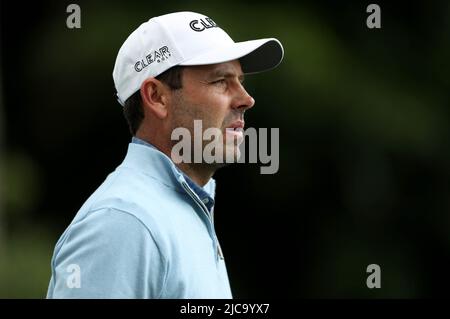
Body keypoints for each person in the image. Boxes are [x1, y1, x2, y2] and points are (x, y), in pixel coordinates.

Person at [46, 11, 284, 299]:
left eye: (240, 80)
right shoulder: (123, 223)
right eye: (221, 80)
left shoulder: (179, 208)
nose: (246, 99)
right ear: (157, 97)